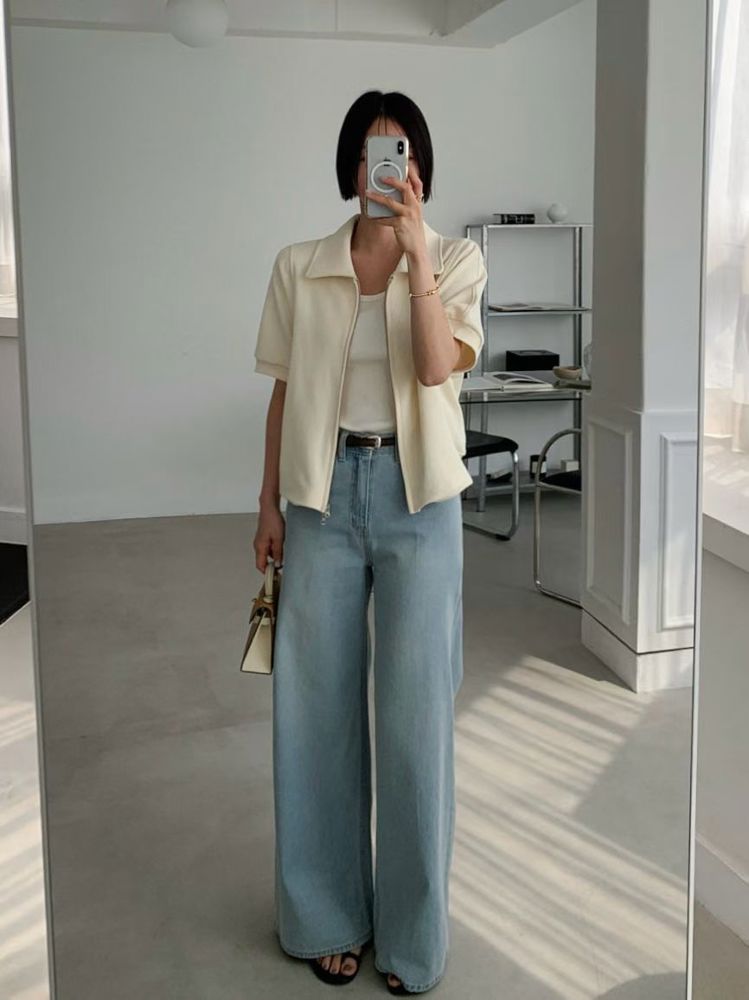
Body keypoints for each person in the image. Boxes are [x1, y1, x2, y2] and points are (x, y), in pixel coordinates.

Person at [252, 90, 487, 995]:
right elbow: (283, 392)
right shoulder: (299, 265)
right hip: (319, 498)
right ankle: (326, 915)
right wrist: (267, 503)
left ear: (419, 166)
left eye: (399, 152)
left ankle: (413, 938)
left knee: (416, 718)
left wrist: (417, 256)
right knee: (312, 711)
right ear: (349, 165)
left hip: (418, 502)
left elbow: (433, 367)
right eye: (368, 152)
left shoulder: (456, 260)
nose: (383, 167)